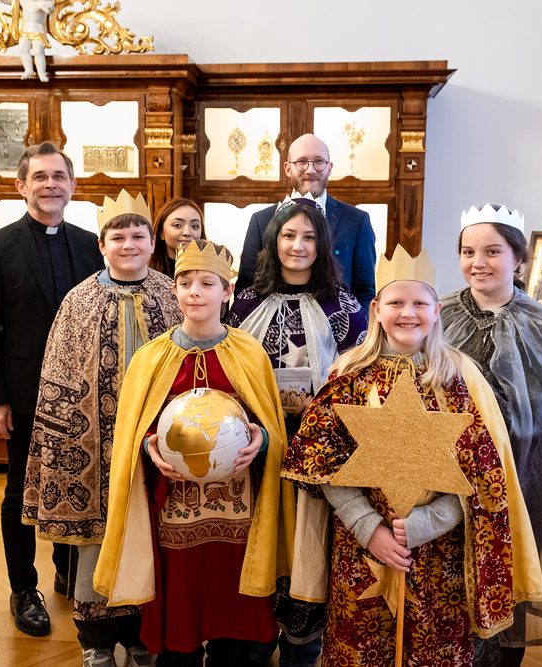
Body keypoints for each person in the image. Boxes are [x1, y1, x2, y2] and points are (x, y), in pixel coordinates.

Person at [282, 244, 542, 666]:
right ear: (376, 310)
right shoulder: (348, 375)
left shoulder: (459, 378)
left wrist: (430, 521)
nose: (408, 313)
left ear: (437, 310)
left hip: (439, 556)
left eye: (420, 303)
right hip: (363, 550)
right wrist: (369, 528)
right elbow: (321, 464)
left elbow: (483, 478)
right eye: (396, 303)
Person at [94, 240, 297, 667]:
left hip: (238, 516)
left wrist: (261, 439)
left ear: (227, 291)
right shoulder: (151, 358)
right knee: (179, 630)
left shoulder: (249, 353)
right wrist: (150, 446)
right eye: (185, 283)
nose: (195, 292)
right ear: (174, 290)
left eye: (207, 283)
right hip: (174, 512)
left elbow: (271, 428)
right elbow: (134, 433)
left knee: (232, 629)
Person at [22, 191, 182, 667]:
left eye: (138, 236)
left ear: (152, 243)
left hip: (155, 438)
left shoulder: (171, 294)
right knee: (97, 538)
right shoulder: (79, 300)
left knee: (151, 535)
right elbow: (58, 373)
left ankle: (141, 635)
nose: (128, 245)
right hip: (93, 441)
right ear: (101, 244)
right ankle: (95, 639)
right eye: (118, 237)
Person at [227, 197, 368, 667]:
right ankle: (254, 640)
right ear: (273, 241)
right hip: (255, 446)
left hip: (317, 450)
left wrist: (322, 408)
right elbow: (228, 367)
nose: (298, 245)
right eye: (289, 235)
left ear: (323, 245)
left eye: (309, 237)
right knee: (260, 538)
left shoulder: (344, 307)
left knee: (307, 545)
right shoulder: (246, 302)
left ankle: (301, 647)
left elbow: (360, 379)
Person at [0, 141, 103, 636]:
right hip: (24, 393)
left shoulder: (90, 243)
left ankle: (68, 569)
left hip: (81, 392)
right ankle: (24, 588)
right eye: (40, 177)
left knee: (76, 479)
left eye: (59, 177)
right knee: (18, 491)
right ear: (21, 186)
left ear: (72, 185)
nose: (51, 185)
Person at [440, 204, 542, 667]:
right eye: (468, 252)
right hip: (446, 471)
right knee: (450, 570)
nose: (477, 262)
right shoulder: (438, 314)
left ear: (518, 258)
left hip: (518, 472)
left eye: (492, 251)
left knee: (505, 568)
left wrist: (483, 427)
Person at [236, 133, 377, 304]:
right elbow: (245, 288)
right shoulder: (261, 221)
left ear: (330, 168)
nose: (310, 170)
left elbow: (365, 292)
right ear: (287, 168)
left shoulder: (357, 221)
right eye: (301, 161)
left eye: (319, 161)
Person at [149, 198, 206, 278]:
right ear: (161, 233)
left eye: (195, 226)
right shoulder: (146, 276)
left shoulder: (212, 275)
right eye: (177, 225)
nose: (187, 232)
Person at [18, 0, 54, 82]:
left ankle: (41, 72)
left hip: (38, 32)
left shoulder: (42, 2)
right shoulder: (22, 1)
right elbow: (9, 1)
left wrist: (46, 5)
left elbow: (50, 10)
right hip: (25, 31)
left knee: (37, 49)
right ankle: (28, 69)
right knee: (23, 46)